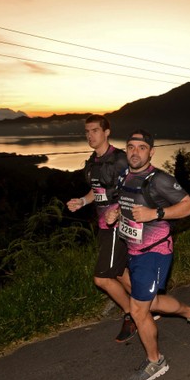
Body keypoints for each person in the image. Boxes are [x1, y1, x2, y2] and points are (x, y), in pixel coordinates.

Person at [105, 129, 190, 380]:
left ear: (151, 152)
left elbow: (189, 206)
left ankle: (156, 361)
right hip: (134, 250)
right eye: (130, 147)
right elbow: (126, 202)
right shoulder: (124, 176)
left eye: (141, 148)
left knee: (138, 310)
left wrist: (155, 214)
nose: (135, 152)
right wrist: (115, 214)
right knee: (150, 303)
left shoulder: (160, 179)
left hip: (156, 252)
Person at [66, 114, 137, 343]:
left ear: (107, 132)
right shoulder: (93, 162)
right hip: (103, 224)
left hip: (119, 223)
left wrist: (118, 212)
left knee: (101, 278)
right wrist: (82, 201)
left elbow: (135, 189)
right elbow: (97, 191)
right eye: (87, 132)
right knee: (118, 272)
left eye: (95, 130)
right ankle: (148, 303)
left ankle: (133, 315)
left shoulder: (119, 159)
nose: (90, 135)